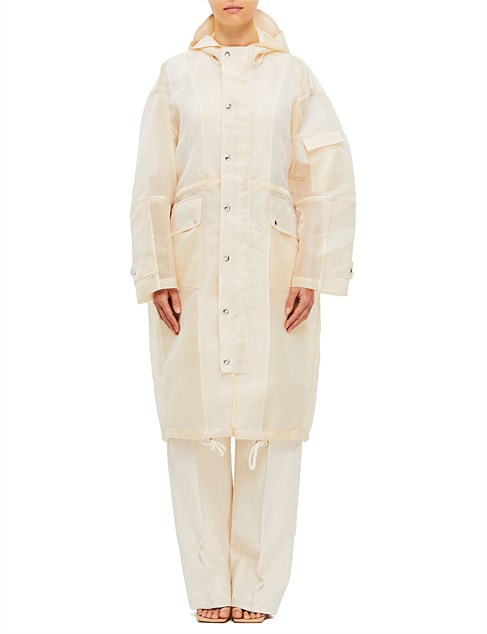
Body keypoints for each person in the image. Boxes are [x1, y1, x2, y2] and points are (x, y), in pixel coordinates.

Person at [129, 0, 356, 624]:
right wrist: (157, 272)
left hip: (274, 270)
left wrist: (312, 271)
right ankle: (209, 585)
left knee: (271, 426)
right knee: (194, 423)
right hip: (192, 271)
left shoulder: (295, 76)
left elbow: (326, 178)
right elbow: (151, 182)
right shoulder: (174, 75)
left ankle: (258, 589)